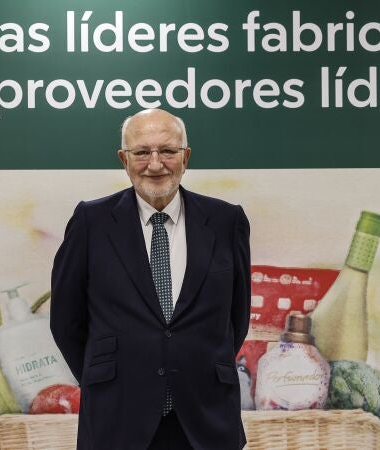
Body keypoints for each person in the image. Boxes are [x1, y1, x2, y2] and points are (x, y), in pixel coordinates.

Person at [50, 108, 251, 450]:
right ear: (123, 159)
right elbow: (66, 322)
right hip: (117, 418)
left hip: (206, 420)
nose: (155, 164)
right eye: (141, 152)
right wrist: (110, 376)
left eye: (167, 151)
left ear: (185, 157)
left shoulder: (225, 221)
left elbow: (237, 317)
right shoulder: (91, 222)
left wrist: (191, 361)